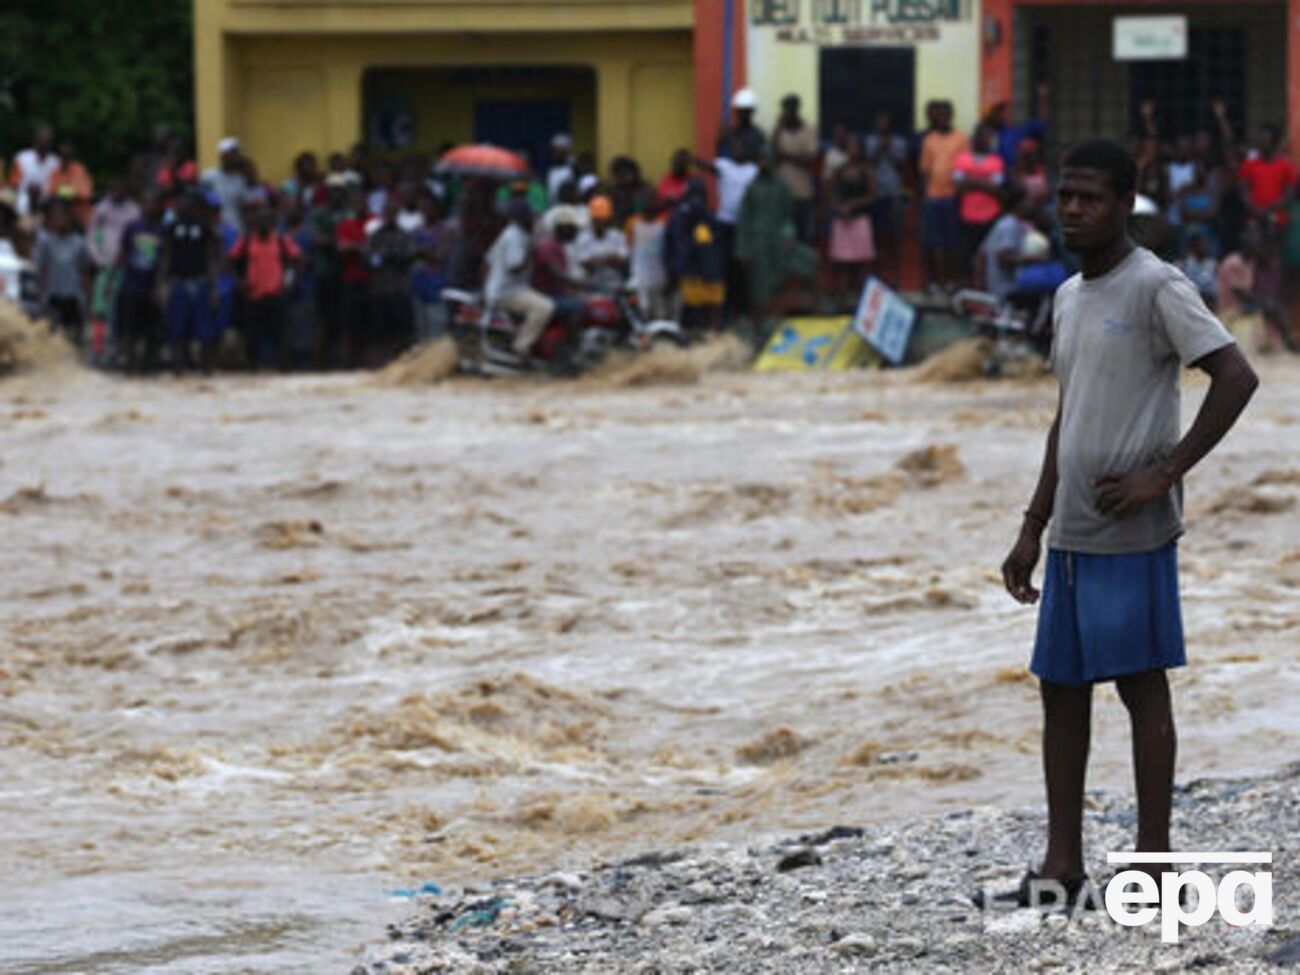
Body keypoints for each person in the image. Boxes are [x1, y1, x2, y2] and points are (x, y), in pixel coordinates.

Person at [994, 139, 1257, 911]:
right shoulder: (1070, 295)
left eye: (1090, 197)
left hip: (1133, 530)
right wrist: (1032, 520)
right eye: (1065, 196)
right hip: (1073, 529)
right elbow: (1065, 414)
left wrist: (1164, 472)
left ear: (1125, 205)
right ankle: (1063, 865)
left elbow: (1236, 375)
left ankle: (1155, 867)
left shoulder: (1157, 286)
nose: (1072, 208)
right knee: (1060, 690)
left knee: (1142, 689)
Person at [735, 150, 818, 323]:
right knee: (759, 284)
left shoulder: (781, 187)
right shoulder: (752, 188)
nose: (763, 163)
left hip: (779, 241)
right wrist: (742, 249)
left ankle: (811, 306)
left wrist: (789, 234)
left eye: (766, 159)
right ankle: (761, 321)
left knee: (809, 260)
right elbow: (744, 219)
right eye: (761, 159)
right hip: (758, 244)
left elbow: (789, 215)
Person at [229, 200, 302, 370]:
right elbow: (232, 260)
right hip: (253, 293)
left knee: (280, 332)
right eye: (259, 219)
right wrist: (239, 281)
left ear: (273, 222)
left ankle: (283, 366)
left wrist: (290, 281)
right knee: (252, 333)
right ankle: (252, 366)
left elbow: (297, 260)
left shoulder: (282, 240)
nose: (262, 223)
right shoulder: (246, 240)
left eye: (266, 220)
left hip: (276, 292)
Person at [159, 189, 221, 374]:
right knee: (176, 328)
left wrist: (214, 287)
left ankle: (206, 368)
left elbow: (211, 259)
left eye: (187, 202)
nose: (183, 206)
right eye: (180, 202)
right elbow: (165, 257)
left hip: (200, 281)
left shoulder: (205, 228)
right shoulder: (170, 228)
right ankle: (179, 368)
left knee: (205, 329)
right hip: (178, 282)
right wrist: (161, 285)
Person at [484, 199, 554, 358]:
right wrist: (532, 246)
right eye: (531, 216)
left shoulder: (511, 232)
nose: (534, 219)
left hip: (501, 289)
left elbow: (487, 262)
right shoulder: (516, 236)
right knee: (544, 307)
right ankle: (521, 346)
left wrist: (485, 290)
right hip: (507, 292)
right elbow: (515, 267)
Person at [87, 179, 141, 356]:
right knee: (101, 307)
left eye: (121, 188)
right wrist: (98, 259)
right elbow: (93, 236)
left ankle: (122, 346)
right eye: (114, 188)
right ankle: (98, 347)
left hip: (128, 268)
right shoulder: (101, 210)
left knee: (124, 308)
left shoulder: (134, 210)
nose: (117, 191)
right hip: (106, 266)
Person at [664, 178, 725, 334]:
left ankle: (714, 339)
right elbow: (671, 246)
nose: (696, 199)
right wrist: (673, 270)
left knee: (714, 310)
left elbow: (717, 245)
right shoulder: (678, 216)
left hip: (711, 273)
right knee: (690, 313)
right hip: (689, 273)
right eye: (693, 194)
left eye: (700, 194)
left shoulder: (710, 217)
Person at [919, 101, 969, 289]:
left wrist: (959, 193)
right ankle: (935, 281)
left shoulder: (961, 139)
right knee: (933, 242)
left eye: (946, 114)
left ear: (951, 116)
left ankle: (950, 280)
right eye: (939, 115)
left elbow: (964, 167)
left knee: (952, 241)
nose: (943, 118)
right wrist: (925, 195)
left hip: (953, 196)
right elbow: (924, 171)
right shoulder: (929, 139)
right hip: (932, 197)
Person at [116, 192, 167, 372]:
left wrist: (160, 287)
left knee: (152, 331)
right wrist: (110, 280)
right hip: (131, 285)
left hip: (152, 287)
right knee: (130, 330)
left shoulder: (163, 229)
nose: (150, 206)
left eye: (154, 203)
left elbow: (164, 260)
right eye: (147, 203)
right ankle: (130, 365)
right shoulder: (132, 227)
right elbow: (122, 253)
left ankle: (148, 367)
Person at [365, 199, 417, 363]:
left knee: (401, 331)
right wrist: (388, 257)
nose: (390, 215)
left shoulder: (404, 235)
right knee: (379, 331)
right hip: (379, 289)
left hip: (399, 289)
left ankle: (401, 361)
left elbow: (408, 257)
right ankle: (380, 362)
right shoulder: (375, 235)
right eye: (387, 212)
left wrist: (387, 257)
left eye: (393, 212)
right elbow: (368, 258)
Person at [308, 174, 351, 367]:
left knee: (345, 320)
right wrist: (338, 243)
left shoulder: (350, 213)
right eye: (333, 190)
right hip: (324, 272)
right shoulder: (318, 213)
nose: (336, 194)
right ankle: (319, 363)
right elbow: (316, 238)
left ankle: (344, 363)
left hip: (347, 273)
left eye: (340, 190)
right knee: (322, 319)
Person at [953, 123, 1006, 281]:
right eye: (985, 136)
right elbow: (958, 186)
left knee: (987, 255)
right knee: (965, 254)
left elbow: (997, 188)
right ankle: (966, 285)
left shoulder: (996, 161)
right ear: (976, 138)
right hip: (967, 215)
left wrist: (972, 180)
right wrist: (984, 181)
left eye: (990, 136)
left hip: (990, 216)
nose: (988, 139)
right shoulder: (962, 159)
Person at [827, 137, 876, 309]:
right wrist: (839, 208)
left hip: (861, 219)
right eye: (849, 147)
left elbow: (872, 195)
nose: (852, 150)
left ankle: (864, 302)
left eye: (855, 147)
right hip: (842, 221)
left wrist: (853, 205)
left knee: (863, 262)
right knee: (842, 263)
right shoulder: (840, 170)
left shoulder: (866, 170)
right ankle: (842, 302)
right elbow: (831, 193)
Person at [34, 200, 91, 341]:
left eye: (60, 217)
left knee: (73, 336)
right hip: (53, 295)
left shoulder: (80, 243)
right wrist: (40, 294)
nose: (57, 221)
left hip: (73, 296)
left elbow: (85, 272)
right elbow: (42, 269)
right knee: (53, 336)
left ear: (68, 218)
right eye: (54, 218)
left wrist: (87, 297)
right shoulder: (46, 242)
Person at [865, 112, 908, 284]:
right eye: (880, 122)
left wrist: (889, 148)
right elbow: (869, 162)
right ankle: (876, 274)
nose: (883, 126)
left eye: (886, 122)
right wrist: (879, 148)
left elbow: (901, 164)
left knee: (894, 234)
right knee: (875, 235)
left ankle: (895, 275)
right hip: (875, 193)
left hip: (894, 193)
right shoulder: (870, 141)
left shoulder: (899, 142)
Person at [334, 185, 373, 367]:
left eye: (361, 201)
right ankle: (349, 361)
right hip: (351, 278)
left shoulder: (375, 221)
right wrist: (360, 247)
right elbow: (342, 249)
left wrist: (354, 246)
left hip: (372, 279)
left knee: (370, 322)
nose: (358, 205)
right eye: (354, 202)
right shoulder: (344, 224)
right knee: (350, 323)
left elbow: (376, 247)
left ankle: (368, 360)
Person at [771, 94, 818, 242]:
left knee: (803, 236)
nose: (787, 113)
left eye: (790, 109)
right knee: (783, 237)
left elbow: (809, 160)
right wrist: (777, 132)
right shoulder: (779, 131)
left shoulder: (808, 130)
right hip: (781, 194)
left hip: (802, 193)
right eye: (785, 110)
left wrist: (786, 156)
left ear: (797, 110)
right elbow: (771, 157)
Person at [1238, 124, 1296, 238]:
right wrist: (1254, 208)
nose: (1260, 144)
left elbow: (1289, 194)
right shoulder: (1249, 164)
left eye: (1264, 141)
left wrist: (1269, 209)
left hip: (1277, 217)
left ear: (1274, 143)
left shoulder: (1286, 165)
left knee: (1273, 243)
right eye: (1259, 141)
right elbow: (1242, 190)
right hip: (1254, 216)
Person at [626, 187, 672, 319]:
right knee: (643, 313)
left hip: (660, 275)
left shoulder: (664, 223)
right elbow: (629, 248)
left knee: (660, 314)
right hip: (640, 275)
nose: (649, 204)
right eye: (646, 200)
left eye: (652, 200)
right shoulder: (632, 223)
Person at [979, 189, 1031, 299]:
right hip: (1005, 289)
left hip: (994, 287)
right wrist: (1034, 259)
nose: (1030, 205)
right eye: (1027, 201)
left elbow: (981, 253)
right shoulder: (1011, 226)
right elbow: (1003, 259)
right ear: (1019, 204)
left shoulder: (1003, 222)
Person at [571, 195, 629, 292]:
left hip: (615, 284)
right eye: (597, 220)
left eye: (603, 220)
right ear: (592, 220)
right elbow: (584, 264)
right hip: (591, 286)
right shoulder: (583, 238)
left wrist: (598, 260)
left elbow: (624, 260)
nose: (600, 223)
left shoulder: (617, 236)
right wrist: (607, 259)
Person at [987, 83, 1050, 170]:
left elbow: (1042, 123)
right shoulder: (986, 133)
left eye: (1003, 111)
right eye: (998, 111)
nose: (1001, 115)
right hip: (992, 174)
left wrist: (1042, 99)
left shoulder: (1016, 132)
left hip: (1012, 175)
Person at [9, 125, 60, 218]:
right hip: (23, 196)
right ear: (35, 141)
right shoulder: (22, 157)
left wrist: (42, 193)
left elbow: (56, 185)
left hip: (46, 200)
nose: (43, 144)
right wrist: (29, 190)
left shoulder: (56, 162)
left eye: (46, 142)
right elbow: (14, 182)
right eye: (40, 141)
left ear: (50, 144)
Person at [44, 141, 94, 228]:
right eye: (62, 155)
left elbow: (84, 193)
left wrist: (61, 192)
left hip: (79, 218)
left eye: (67, 156)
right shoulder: (55, 172)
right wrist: (70, 192)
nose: (65, 158)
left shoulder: (79, 170)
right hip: (61, 217)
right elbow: (50, 193)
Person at [203, 137, 249, 232]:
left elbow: (243, 207)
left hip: (236, 227)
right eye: (231, 153)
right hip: (214, 228)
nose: (234, 157)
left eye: (236, 153)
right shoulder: (208, 176)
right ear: (222, 155)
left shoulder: (240, 180)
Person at [717, 88, 766, 161]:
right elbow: (721, 159)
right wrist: (721, 140)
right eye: (740, 111)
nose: (742, 115)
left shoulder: (758, 135)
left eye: (746, 111)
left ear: (752, 112)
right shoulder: (729, 133)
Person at [1179, 232, 1218, 309]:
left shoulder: (1213, 264)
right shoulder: (1184, 265)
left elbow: (1216, 288)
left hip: (1210, 302)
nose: (1204, 247)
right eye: (1201, 245)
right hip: (1192, 302)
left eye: (1205, 244)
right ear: (1193, 247)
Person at [545, 134, 576, 203]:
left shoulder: (572, 169)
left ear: (565, 151)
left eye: (558, 150)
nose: (555, 153)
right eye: (554, 150)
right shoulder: (551, 170)